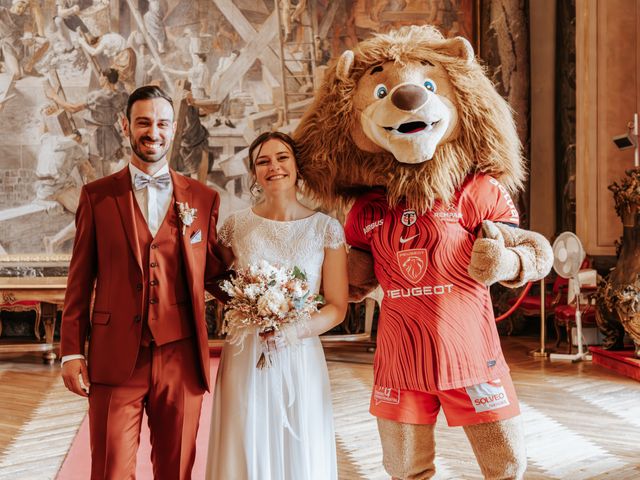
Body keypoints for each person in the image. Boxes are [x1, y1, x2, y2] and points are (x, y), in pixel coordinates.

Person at [60, 85, 226, 479]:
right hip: (115, 355)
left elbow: (216, 272)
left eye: (162, 123)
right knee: (110, 469)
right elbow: (79, 279)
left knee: (177, 469)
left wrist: (269, 299)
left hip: (181, 356)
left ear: (173, 130)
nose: (154, 131)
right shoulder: (97, 196)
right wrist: (70, 350)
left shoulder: (203, 198)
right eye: (144, 122)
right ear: (126, 126)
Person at [206, 131, 348, 480]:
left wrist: (292, 330)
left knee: (298, 436)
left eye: (282, 157)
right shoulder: (236, 226)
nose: (274, 167)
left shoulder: (325, 229)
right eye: (263, 161)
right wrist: (249, 302)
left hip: (299, 351)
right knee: (245, 431)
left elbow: (336, 306)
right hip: (245, 352)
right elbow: (215, 279)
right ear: (255, 173)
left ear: (297, 166)